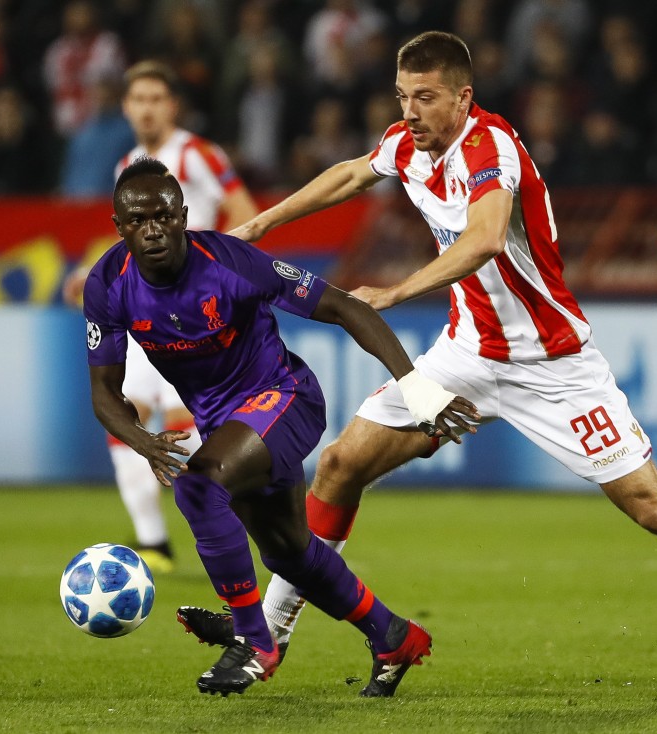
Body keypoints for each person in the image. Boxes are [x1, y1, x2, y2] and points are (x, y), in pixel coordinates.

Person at [179, 31, 657, 696]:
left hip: (556, 366)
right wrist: (261, 225)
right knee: (338, 466)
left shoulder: (493, 149)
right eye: (400, 96)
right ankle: (266, 638)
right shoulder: (407, 144)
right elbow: (353, 173)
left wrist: (391, 292)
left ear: (462, 96)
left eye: (423, 97)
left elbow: (482, 239)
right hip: (466, 354)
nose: (408, 112)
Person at [84, 157, 480, 697]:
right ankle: (392, 636)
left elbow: (341, 307)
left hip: (285, 400)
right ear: (119, 226)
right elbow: (105, 392)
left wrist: (414, 384)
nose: (152, 229)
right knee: (288, 552)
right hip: (226, 424)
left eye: (163, 216)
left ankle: (253, 641)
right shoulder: (108, 284)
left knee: (199, 487)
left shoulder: (229, 262)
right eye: (138, 220)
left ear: (182, 215)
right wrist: (144, 443)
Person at [64, 60, 260, 574]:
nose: (147, 108)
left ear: (172, 105)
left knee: (187, 422)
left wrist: (218, 274)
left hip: (197, 315)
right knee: (125, 413)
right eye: (138, 99)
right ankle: (154, 542)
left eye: (156, 98)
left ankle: (242, 511)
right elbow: (128, 239)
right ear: (126, 106)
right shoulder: (128, 162)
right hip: (145, 310)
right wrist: (93, 272)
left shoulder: (196, 154)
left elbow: (245, 214)